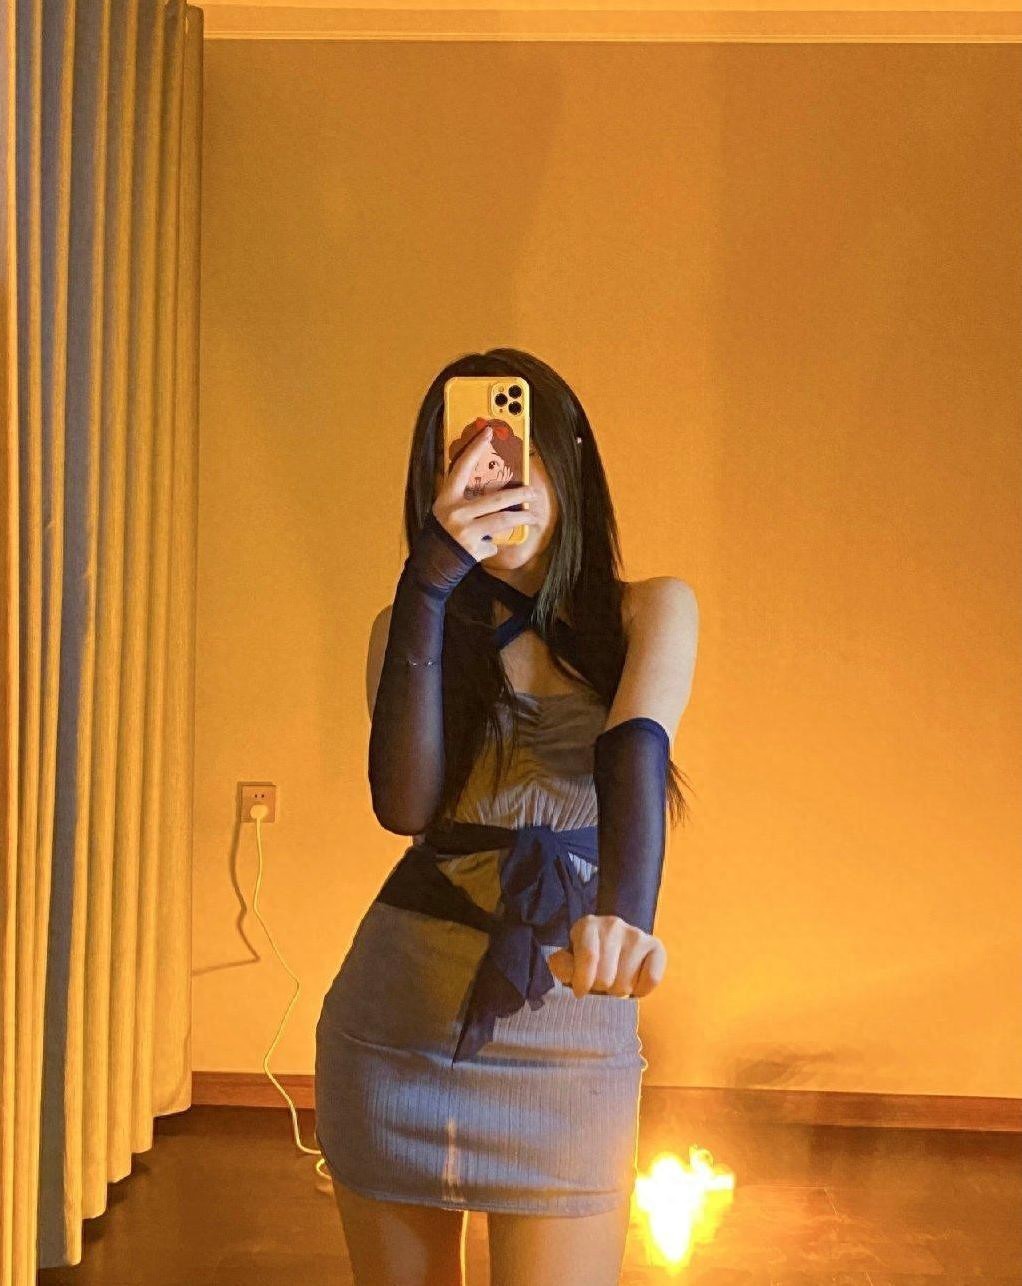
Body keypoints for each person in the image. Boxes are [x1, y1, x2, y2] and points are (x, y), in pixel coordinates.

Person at [314, 348, 699, 1286]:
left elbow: (635, 749)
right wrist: (428, 584)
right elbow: (404, 805)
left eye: (515, 446)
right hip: (392, 1030)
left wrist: (627, 915)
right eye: (467, 453)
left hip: (570, 1033)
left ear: (566, 456)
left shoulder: (651, 610)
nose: (496, 472)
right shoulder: (402, 628)